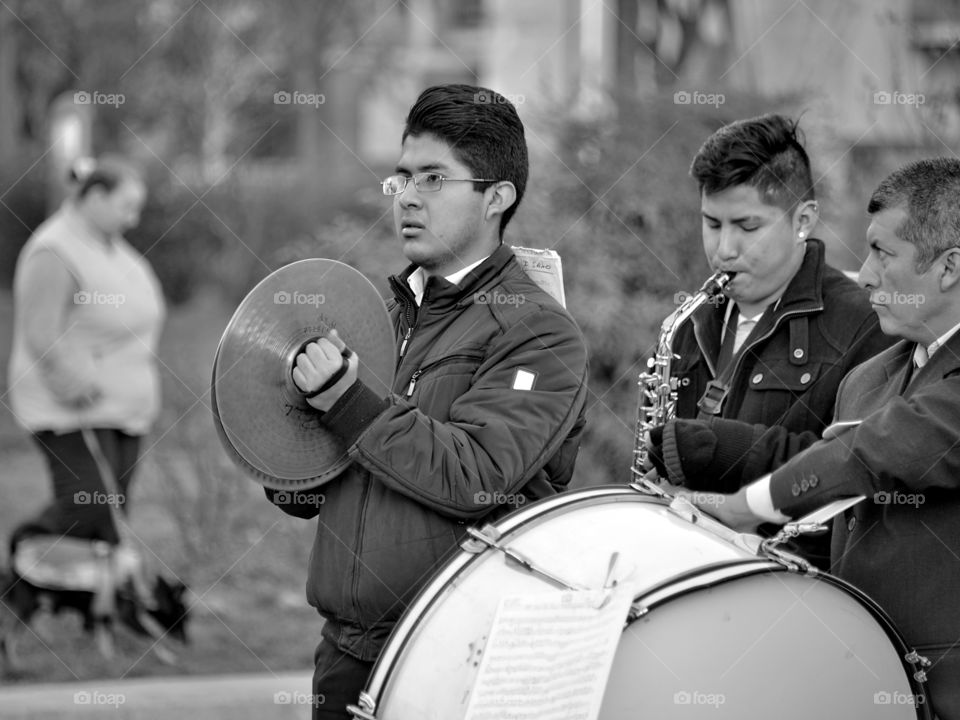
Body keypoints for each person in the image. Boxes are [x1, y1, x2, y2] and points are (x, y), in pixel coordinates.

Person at [267, 84, 589, 719]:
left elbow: (476, 476)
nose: (408, 196)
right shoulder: (379, 316)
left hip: (459, 660)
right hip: (345, 656)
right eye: (402, 178)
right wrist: (289, 451)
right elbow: (320, 491)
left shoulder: (538, 330)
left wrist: (347, 403)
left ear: (498, 196)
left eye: (435, 179)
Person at [680, 157, 960, 719]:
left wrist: (742, 507)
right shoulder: (867, 378)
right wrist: (736, 551)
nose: (868, 275)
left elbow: (873, 452)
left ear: (950, 267)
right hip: (857, 684)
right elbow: (835, 532)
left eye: (883, 253)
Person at [643, 113, 892, 567]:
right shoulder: (688, 324)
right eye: (712, 223)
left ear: (803, 219)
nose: (724, 249)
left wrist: (721, 448)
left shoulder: (866, 323)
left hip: (794, 586)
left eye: (747, 226)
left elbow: (857, 467)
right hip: (682, 572)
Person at [7, 155, 165, 548]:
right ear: (95, 196)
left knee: (112, 518)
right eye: (126, 207)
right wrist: (73, 379)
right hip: (72, 410)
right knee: (88, 508)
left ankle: (94, 603)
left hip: (124, 412)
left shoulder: (112, 248)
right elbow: (39, 332)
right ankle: (19, 564)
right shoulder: (54, 250)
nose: (133, 219)